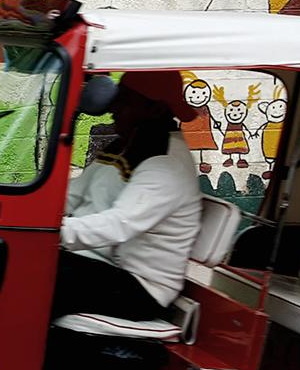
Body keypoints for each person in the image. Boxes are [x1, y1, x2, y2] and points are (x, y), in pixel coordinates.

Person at [52, 72, 202, 323]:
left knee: (41, 276)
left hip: (140, 287)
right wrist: (30, 212)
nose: (113, 109)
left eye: (124, 100)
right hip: (99, 262)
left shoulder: (166, 164)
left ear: (154, 109)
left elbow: (120, 224)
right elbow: (75, 193)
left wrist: (52, 231)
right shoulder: (125, 144)